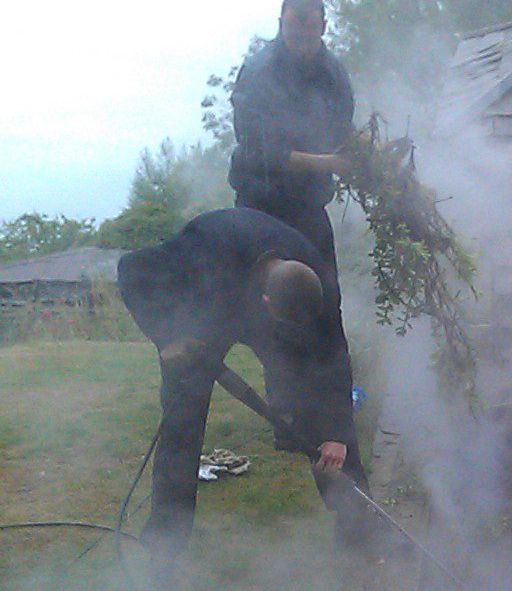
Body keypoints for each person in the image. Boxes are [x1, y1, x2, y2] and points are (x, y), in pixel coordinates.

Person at [117, 207, 372, 564]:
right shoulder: (205, 246)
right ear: (266, 303)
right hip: (203, 320)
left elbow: (332, 354)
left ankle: (358, 531)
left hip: (258, 310)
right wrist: (165, 336)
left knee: (321, 416)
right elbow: (131, 269)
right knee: (182, 428)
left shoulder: (317, 276)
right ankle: (163, 551)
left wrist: (337, 433)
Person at [227, 0, 354, 293]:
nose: (301, 40)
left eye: (309, 30)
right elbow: (260, 151)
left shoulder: (333, 75)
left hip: (309, 208)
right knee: (265, 305)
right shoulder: (258, 73)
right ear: (281, 25)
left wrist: (366, 158)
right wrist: (328, 163)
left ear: (322, 26)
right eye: (293, 30)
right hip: (260, 206)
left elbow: (342, 132)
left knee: (324, 299)